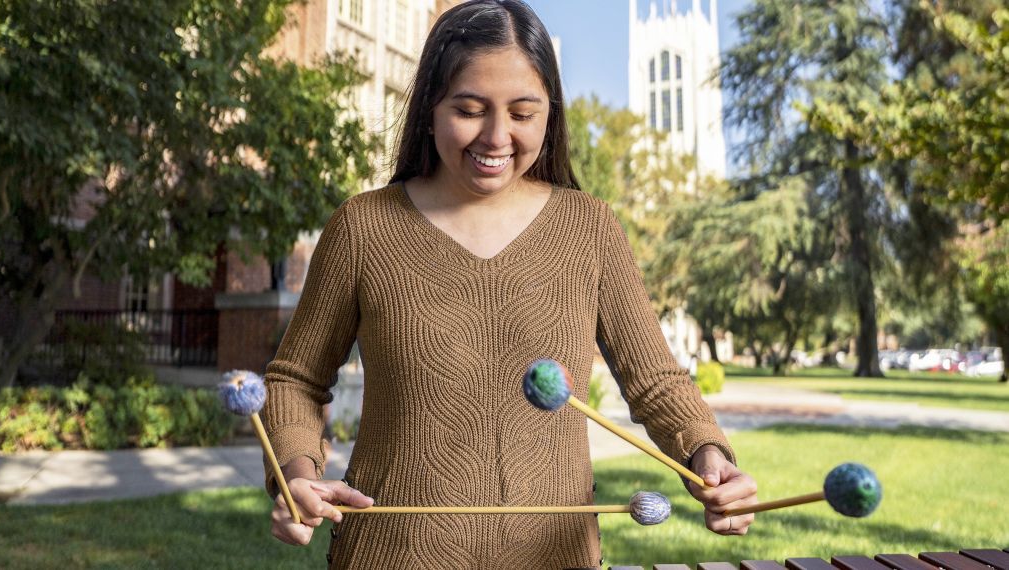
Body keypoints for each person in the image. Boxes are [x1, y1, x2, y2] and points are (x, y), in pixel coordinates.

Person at [262, 1, 757, 567]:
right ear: (429, 108)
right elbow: (297, 379)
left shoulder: (588, 227)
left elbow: (655, 382)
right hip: (390, 554)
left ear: (551, 114)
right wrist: (295, 474)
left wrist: (708, 453)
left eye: (523, 113)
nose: (497, 137)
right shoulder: (363, 227)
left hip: (556, 557)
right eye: (470, 109)